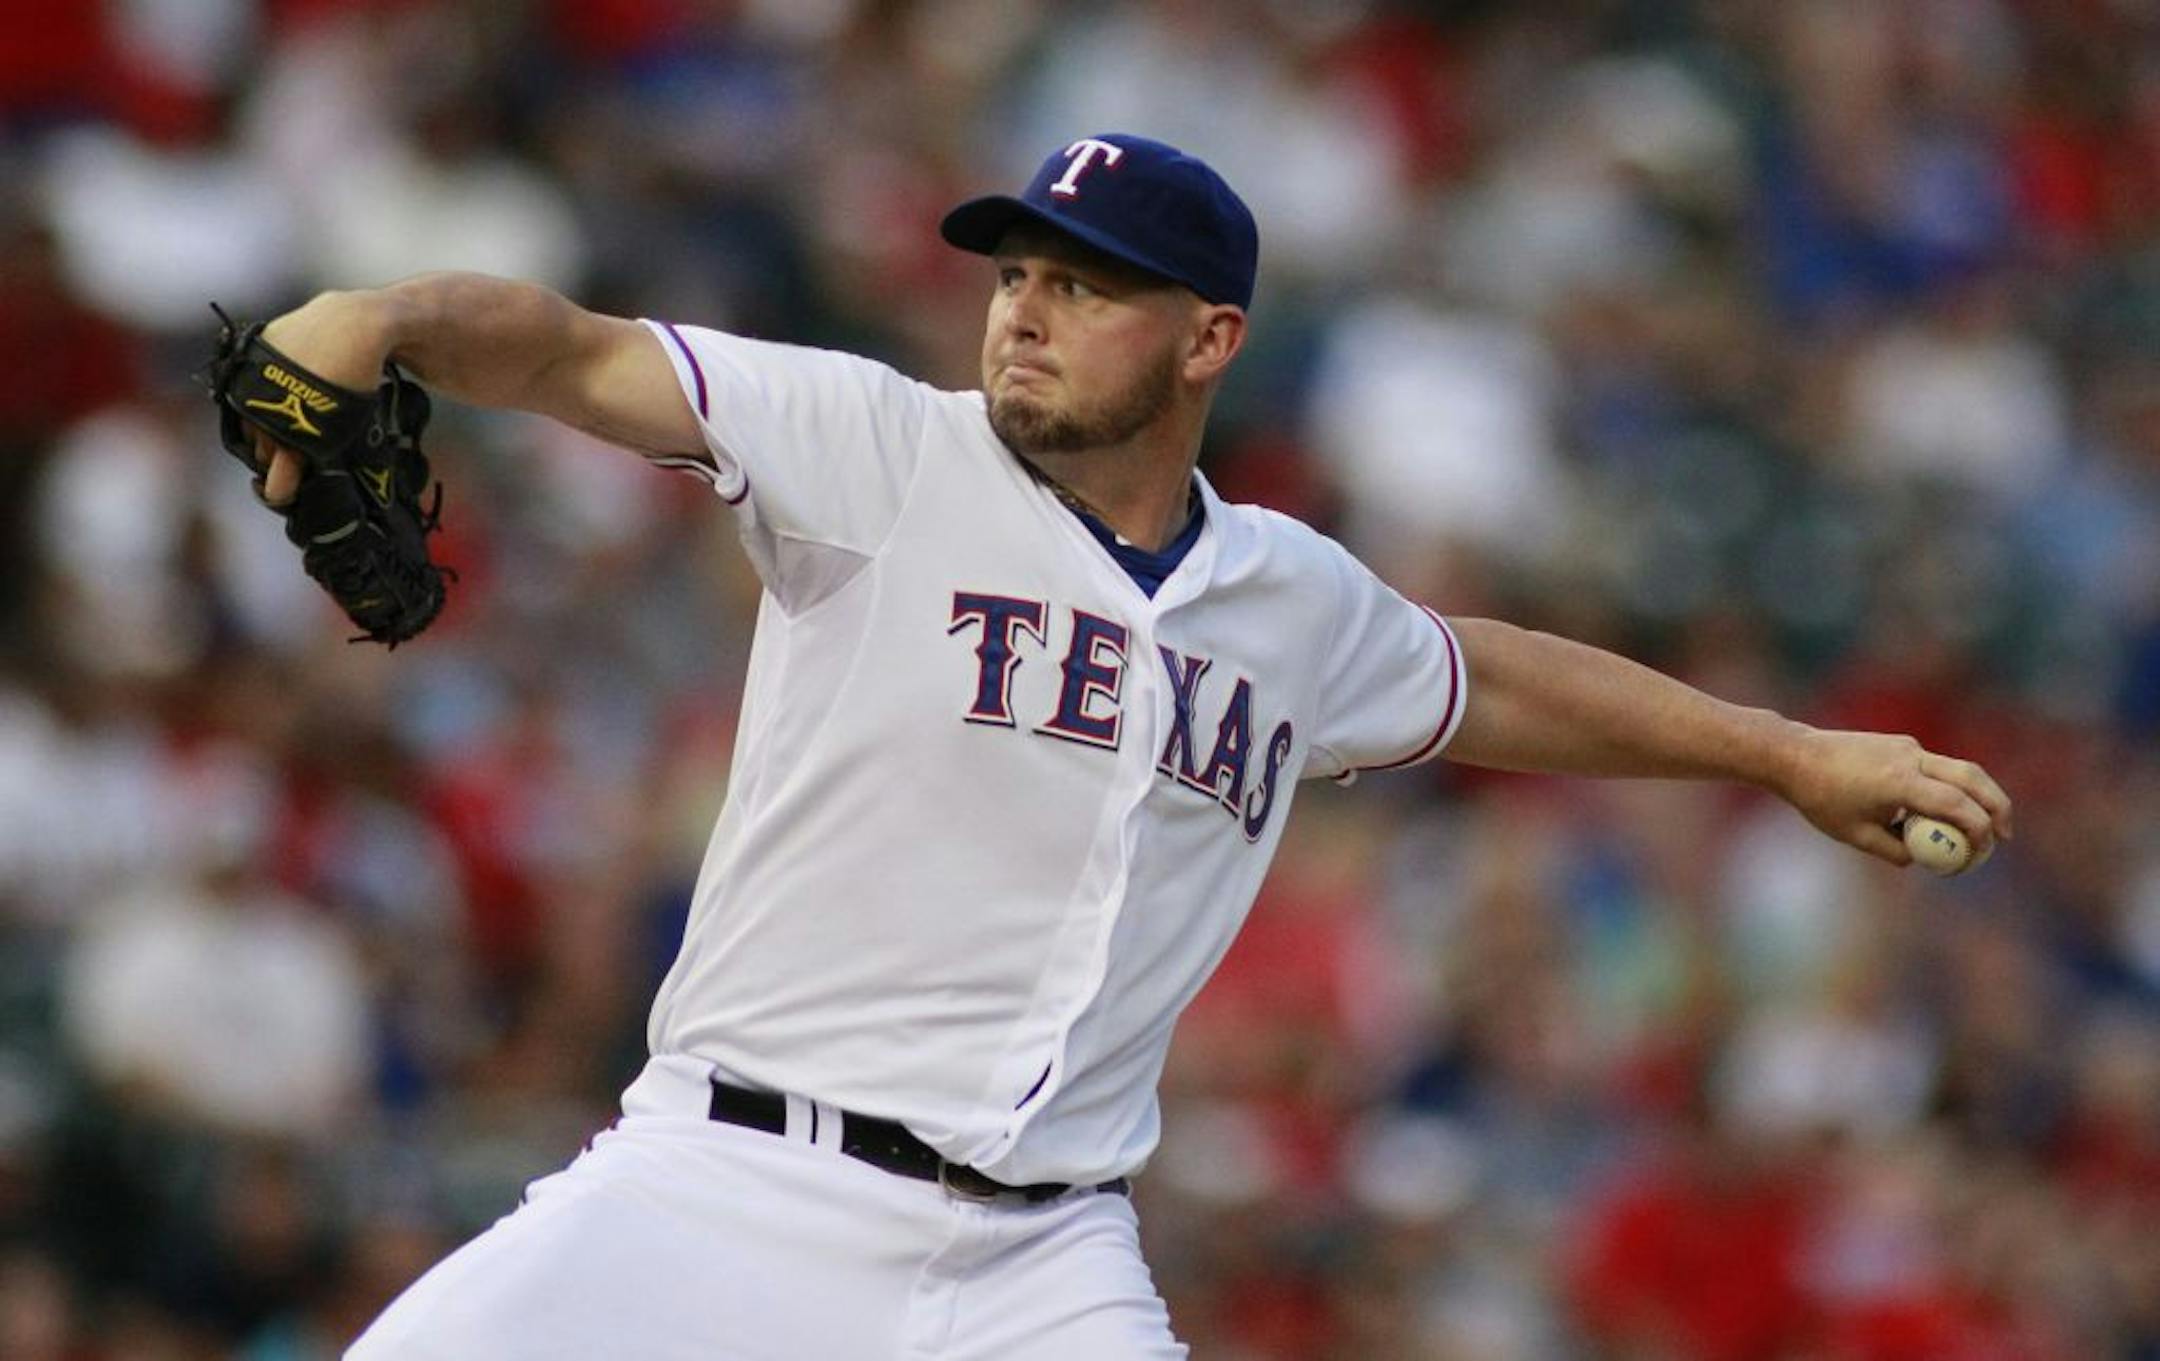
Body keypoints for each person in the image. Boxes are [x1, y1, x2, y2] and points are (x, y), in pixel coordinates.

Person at [240, 134, 2012, 1359]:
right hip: (732, 1178)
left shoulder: (1289, 599)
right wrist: (385, 317)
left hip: (1042, 1254)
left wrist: (1782, 753)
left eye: (1086, 286)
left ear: (1208, 340)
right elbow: (574, 349)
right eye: (1018, 271)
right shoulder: (876, 448)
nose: (1025, 306)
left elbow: (1490, 677)